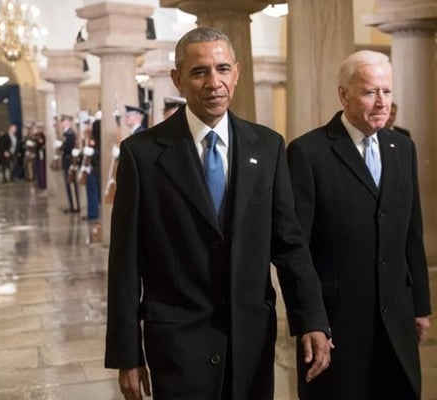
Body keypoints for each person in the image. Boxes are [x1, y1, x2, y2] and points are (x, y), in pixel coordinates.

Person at [105, 26, 332, 400]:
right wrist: (127, 354)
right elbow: (126, 263)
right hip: (177, 344)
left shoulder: (268, 146)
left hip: (251, 341)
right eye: (199, 72)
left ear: (237, 73)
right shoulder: (141, 155)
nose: (214, 82)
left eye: (223, 69)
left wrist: (311, 319)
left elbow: (289, 244)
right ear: (178, 79)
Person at [287, 50, 431, 399]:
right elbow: (295, 250)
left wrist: (421, 305)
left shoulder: (402, 148)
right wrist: (310, 321)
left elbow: (412, 232)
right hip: (338, 321)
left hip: (396, 314)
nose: (382, 102)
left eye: (387, 91)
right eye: (370, 92)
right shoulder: (308, 153)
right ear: (343, 95)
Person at [59, 115, 80, 213]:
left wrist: (61, 147)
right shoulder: (66, 133)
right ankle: (72, 205)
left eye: (63, 121)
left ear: (67, 122)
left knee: (71, 183)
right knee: (68, 184)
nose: (62, 123)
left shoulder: (70, 133)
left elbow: (68, 148)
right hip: (66, 160)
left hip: (69, 161)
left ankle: (75, 206)